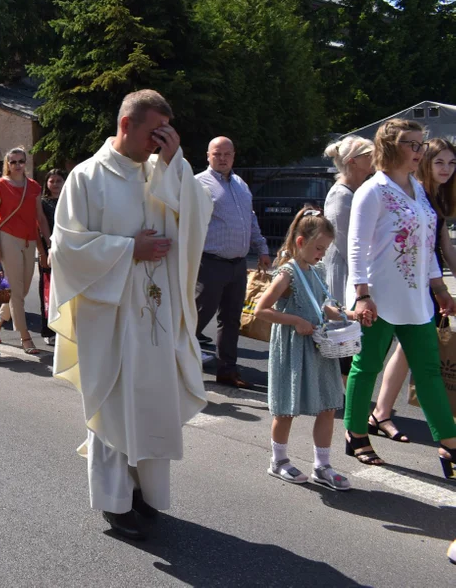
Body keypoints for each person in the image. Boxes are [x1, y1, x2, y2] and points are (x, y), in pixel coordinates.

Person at [49, 89, 212, 540]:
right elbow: (65, 249)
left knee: (152, 402)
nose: (158, 143)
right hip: (111, 315)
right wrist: (128, 250)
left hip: (157, 315)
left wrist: (175, 164)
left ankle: (146, 493)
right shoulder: (86, 178)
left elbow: (196, 215)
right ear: (127, 125)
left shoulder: (162, 171)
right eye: (153, 133)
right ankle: (114, 503)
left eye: (167, 134)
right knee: (114, 408)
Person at [344, 119, 456, 477]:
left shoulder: (419, 191)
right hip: (378, 296)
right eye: (412, 144)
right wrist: (361, 295)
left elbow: (427, 246)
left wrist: (440, 288)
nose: (419, 151)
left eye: (421, 144)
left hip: (416, 299)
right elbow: (356, 246)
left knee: (429, 371)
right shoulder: (373, 190)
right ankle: (356, 432)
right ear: (391, 146)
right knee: (367, 367)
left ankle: (450, 443)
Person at [255, 209, 358, 491]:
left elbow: (320, 306)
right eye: (318, 248)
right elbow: (261, 310)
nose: (322, 254)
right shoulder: (287, 273)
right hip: (292, 347)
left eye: (325, 249)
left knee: (328, 404)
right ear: (301, 242)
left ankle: (322, 466)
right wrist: (295, 321)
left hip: (317, 347)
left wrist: (347, 314)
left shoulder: (317, 270)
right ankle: (278, 461)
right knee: (286, 407)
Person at [369, 139, 456, 442]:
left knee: (407, 352)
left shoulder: (434, 197)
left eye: (451, 163)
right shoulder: (413, 192)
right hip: (409, 280)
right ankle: (378, 413)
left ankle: (381, 413)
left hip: (428, 280)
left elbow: (444, 246)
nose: (446, 169)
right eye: (439, 162)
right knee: (397, 352)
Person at [194, 136, 272, 389]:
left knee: (231, 319)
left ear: (234, 155)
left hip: (238, 264)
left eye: (227, 154)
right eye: (217, 154)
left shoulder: (240, 184)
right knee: (197, 316)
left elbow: (250, 220)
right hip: (210, 264)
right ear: (208, 156)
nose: (223, 158)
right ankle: (173, 364)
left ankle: (227, 370)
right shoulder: (198, 184)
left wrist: (261, 248)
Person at [0, 147, 50, 355]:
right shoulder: (0, 185)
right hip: (8, 238)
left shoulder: (33, 186)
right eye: (13, 162)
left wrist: (48, 245)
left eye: (20, 161)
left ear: (26, 163)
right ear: (7, 164)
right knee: (16, 290)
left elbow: (39, 217)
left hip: (29, 240)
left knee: (21, 291)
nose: (17, 165)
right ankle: (25, 337)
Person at [322, 136, 375, 378]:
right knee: (344, 336)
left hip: (352, 271)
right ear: (352, 162)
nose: (374, 158)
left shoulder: (357, 191)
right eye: (368, 154)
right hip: (343, 273)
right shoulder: (341, 196)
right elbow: (346, 245)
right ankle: (340, 392)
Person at [39, 169, 66, 345]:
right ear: (47, 184)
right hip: (49, 248)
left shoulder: (69, 200)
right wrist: (47, 249)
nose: (55, 184)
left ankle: (65, 328)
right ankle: (48, 329)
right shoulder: (42, 203)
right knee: (48, 290)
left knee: (65, 290)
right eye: (52, 181)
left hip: (67, 250)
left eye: (58, 180)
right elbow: (41, 226)